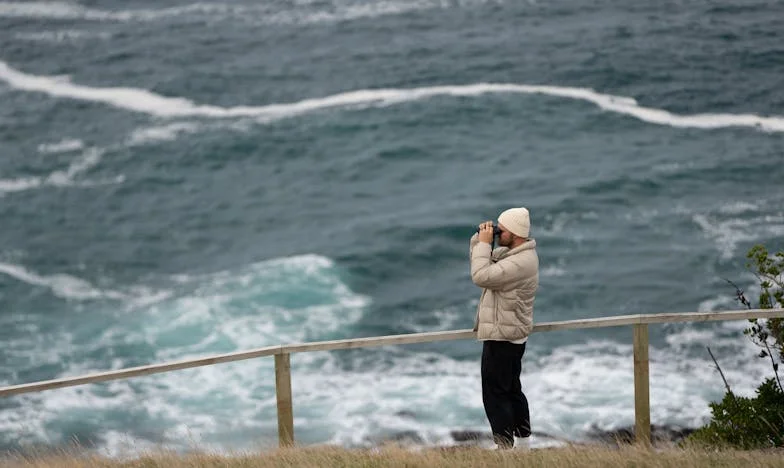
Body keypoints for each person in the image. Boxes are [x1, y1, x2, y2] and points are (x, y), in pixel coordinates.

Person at [469, 207, 539, 449]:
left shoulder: (521, 262)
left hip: (503, 336)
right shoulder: (517, 254)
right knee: (511, 391)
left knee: (495, 395)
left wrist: (484, 244)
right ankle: (523, 448)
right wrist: (481, 240)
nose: (499, 233)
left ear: (516, 234)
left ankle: (505, 449)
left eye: (503, 230)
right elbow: (485, 261)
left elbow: (481, 276)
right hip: (510, 333)